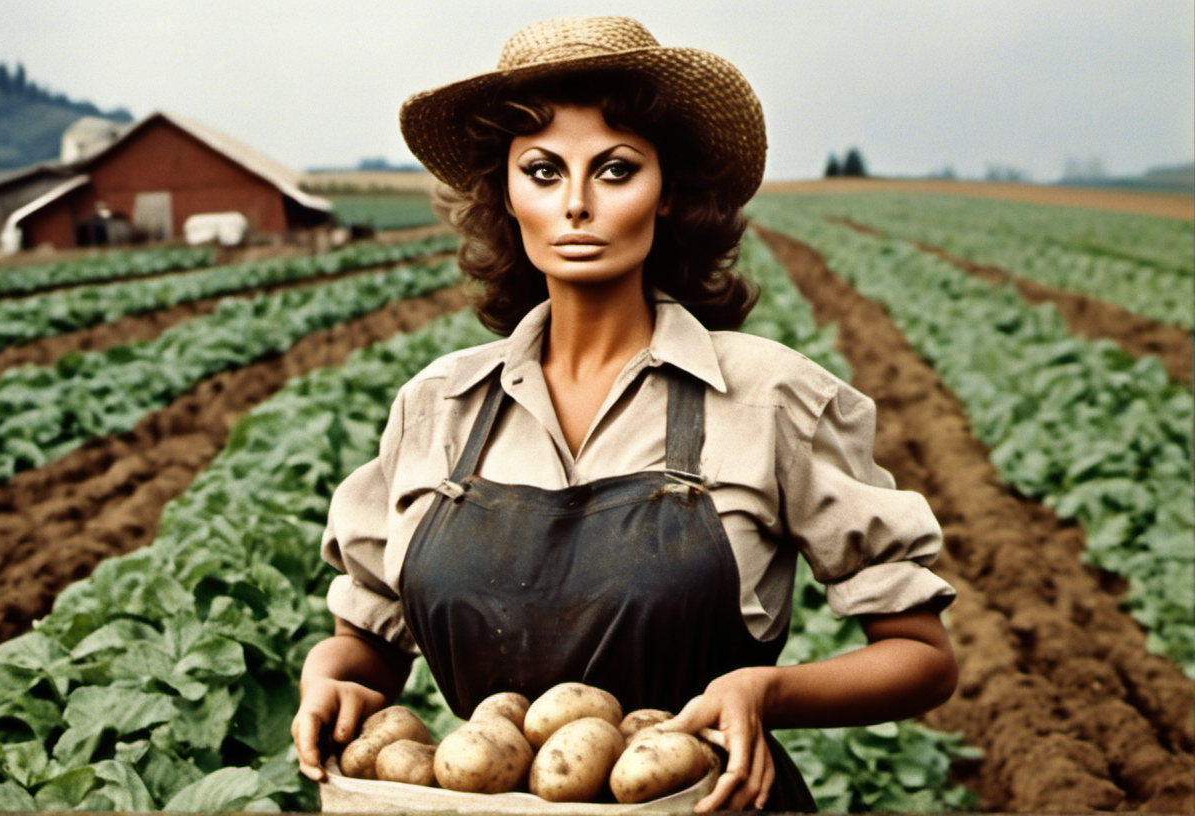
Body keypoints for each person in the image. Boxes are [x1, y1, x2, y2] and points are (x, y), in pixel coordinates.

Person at [292, 15, 957, 812]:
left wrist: (764, 692)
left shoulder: (769, 398)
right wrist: (331, 680)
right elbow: (367, 649)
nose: (576, 204)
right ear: (504, 193)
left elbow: (922, 657)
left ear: (668, 191)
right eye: (541, 171)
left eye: (614, 170)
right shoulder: (438, 407)